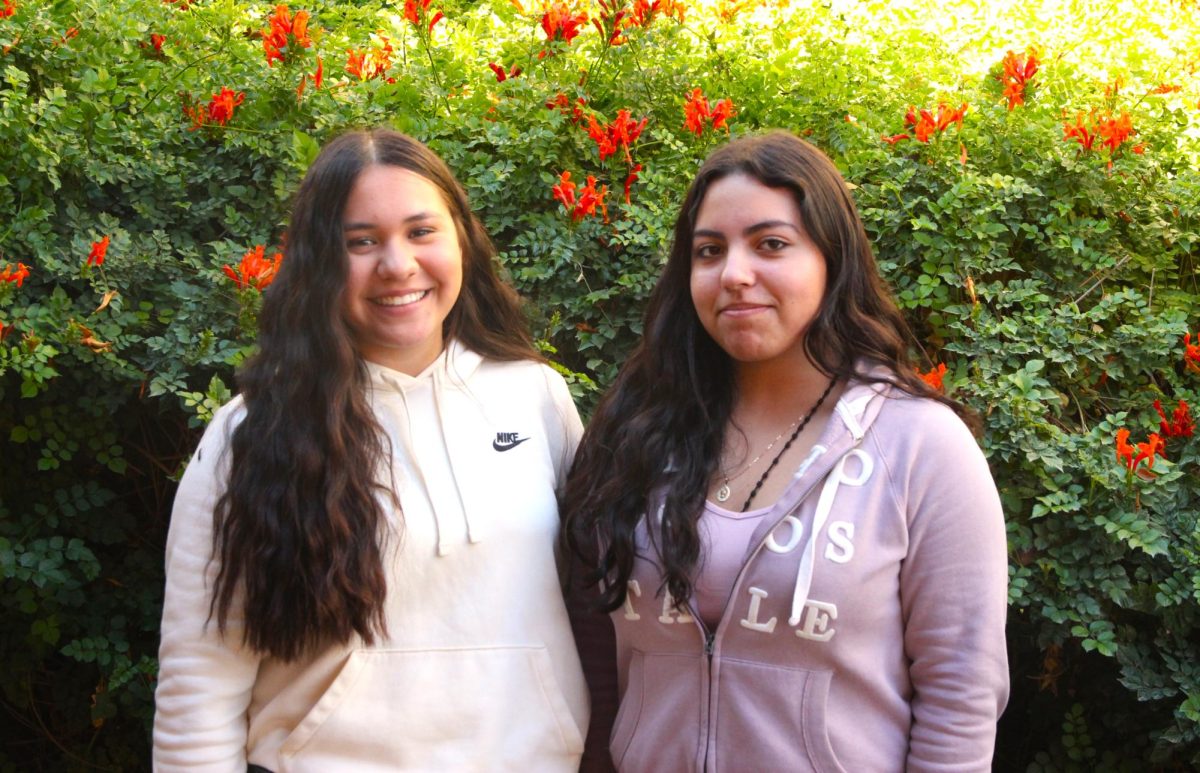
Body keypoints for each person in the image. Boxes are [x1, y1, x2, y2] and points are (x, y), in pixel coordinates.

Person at [561, 130, 1008, 772]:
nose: (735, 274)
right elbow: (598, 661)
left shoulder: (920, 446)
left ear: (831, 259)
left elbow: (960, 694)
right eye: (709, 251)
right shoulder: (635, 433)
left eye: (771, 244)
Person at [154, 128, 588, 771]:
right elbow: (199, 683)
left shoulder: (536, 397)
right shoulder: (253, 433)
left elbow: (599, 605)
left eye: (421, 232)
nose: (397, 265)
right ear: (319, 263)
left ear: (460, 240)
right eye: (361, 241)